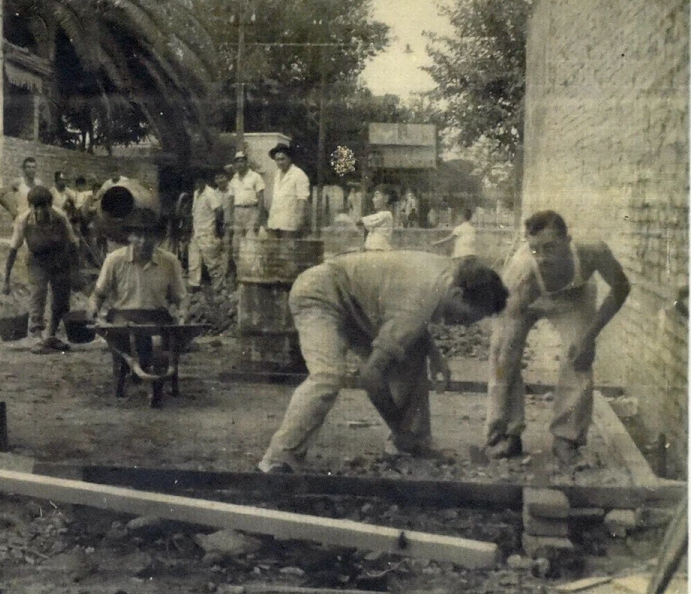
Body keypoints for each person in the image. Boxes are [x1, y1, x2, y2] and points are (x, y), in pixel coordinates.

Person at [258, 253, 508, 472]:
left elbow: (413, 309)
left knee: (412, 354)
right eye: (465, 317)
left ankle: (411, 444)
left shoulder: (450, 273)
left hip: (355, 302)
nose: (462, 326)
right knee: (328, 376)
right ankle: (279, 458)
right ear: (457, 294)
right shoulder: (418, 305)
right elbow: (371, 377)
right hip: (318, 294)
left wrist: (433, 352)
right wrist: (397, 425)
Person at [485, 211, 631, 465]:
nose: (542, 258)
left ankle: (567, 439)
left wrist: (589, 337)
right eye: (535, 250)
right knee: (502, 355)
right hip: (528, 297)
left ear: (568, 240)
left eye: (550, 248)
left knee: (578, 358)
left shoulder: (591, 252)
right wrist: (509, 345)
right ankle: (507, 434)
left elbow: (621, 286)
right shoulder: (522, 272)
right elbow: (507, 327)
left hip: (575, 297)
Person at [88, 207, 190, 404]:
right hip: (124, 318)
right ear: (129, 236)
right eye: (138, 235)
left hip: (157, 318)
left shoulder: (169, 261)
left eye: (149, 235)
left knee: (165, 337)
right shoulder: (115, 260)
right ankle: (132, 371)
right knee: (128, 340)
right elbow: (98, 294)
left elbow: (181, 297)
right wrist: (93, 308)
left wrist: (184, 312)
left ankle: (159, 375)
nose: (143, 241)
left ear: (157, 237)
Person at [3, 186, 80, 352]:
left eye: (44, 206)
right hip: (37, 260)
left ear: (50, 205)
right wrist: (6, 280)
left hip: (60, 259)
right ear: (31, 206)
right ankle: (37, 337)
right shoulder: (23, 220)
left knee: (61, 299)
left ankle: (50, 335)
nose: (40, 211)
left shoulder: (60, 217)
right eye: (36, 207)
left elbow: (73, 244)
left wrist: (76, 272)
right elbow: (13, 250)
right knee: (38, 294)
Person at [187, 173, 226, 289]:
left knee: (212, 262)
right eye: (196, 182)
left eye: (201, 181)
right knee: (194, 261)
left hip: (208, 232)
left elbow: (218, 210)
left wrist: (217, 228)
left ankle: (218, 286)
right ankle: (194, 285)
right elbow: (195, 214)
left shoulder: (210, 194)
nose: (198, 184)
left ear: (205, 181)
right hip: (197, 232)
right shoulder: (196, 193)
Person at [266, 142, 311, 236]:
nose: (280, 162)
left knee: (287, 249)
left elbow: (302, 199)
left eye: (283, 159)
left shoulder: (299, 174)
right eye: (277, 160)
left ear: (289, 158)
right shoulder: (276, 174)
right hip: (274, 222)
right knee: (273, 249)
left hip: (290, 224)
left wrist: (299, 220)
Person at [228, 151, 266, 257]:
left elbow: (261, 197)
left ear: (247, 163)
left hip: (252, 211)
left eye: (241, 161)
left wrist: (259, 217)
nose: (239, 164)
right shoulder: (233, 180)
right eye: (237, 162)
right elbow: (231, 200)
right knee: (236, 244)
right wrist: (230, 217)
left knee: (251, 242)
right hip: (237, 212)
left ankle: (251, 271)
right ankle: (239, 270)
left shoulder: (255, 176)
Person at [359, 184, 397, 251]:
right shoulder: (381, 215)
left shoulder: (386, 215)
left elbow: (363, 221)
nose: (373, 199)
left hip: (379, 250)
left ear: (386, 199)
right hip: (373, 250)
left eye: (376, 196)